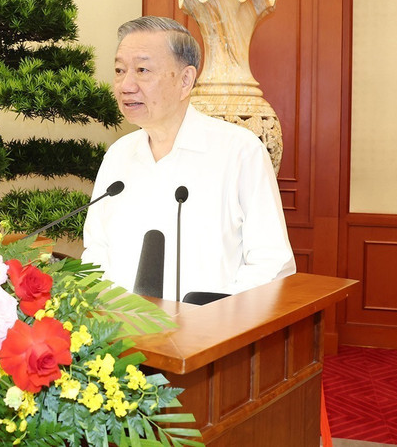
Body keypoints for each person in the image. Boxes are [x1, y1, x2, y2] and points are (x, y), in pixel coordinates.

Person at [82, 16, 295, 302]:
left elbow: (272, 263)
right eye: (120, 70)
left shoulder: (240, 151)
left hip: (212, 325)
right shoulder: (118, 155)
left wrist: (216, 314)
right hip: (118, 324)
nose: (125, 85)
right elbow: (96, 250)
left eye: (142, 70)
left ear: (185, 80)